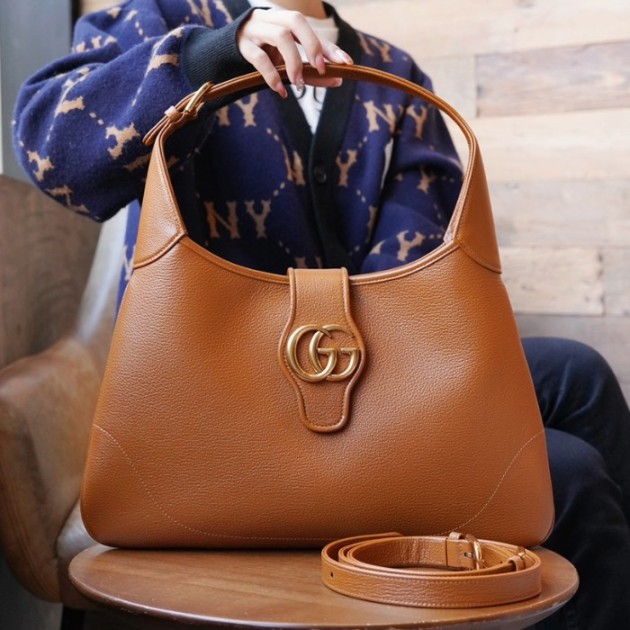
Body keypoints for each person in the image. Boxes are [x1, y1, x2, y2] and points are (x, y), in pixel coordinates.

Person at [12, 0, 630, 626]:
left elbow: (422, 264)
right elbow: (51, 151)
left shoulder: (393, 71)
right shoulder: (159, 18)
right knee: (570, 473)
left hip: (377, 371)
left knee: (579, 375)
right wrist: (209, 56)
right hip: (213, 389)